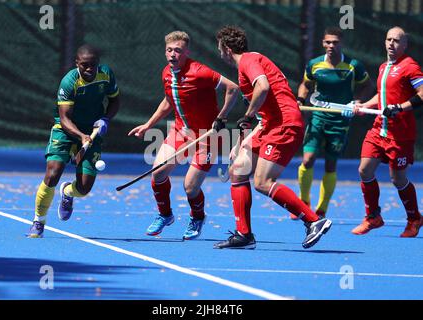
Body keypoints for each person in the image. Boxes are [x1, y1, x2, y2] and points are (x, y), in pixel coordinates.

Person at [214, 25, 332, 249]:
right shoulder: (250, 64)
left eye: (220, 49)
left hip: (284, 125)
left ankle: (314, 221)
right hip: (270, 125)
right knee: (237, 170)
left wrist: (247, 116)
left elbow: (264, 87)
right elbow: (262, 114)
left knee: (262, 182)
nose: (220, 53)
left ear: (227, 49)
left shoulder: (248, 61)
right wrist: (239, 144)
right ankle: (244, 235)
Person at [128, 31, 239, 240]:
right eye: (169, 50)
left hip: (207, 137)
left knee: (190, 186)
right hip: (180, 131)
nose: (173, 54)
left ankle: (197, 217)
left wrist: (222, 117)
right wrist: (148, 124)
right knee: (158, 173)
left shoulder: (200, 71)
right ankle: (165, 215)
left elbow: (233, 88)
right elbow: (169, 101)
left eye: (178, 50)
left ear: (186, 52)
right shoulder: (166, 73)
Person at [27, 44, 120, 238]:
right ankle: (38, 221)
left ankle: (68, 192)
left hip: (92, 131)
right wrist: (81, 136)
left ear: (98, 64)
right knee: (53, 173)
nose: (89, 69)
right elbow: (65, 118)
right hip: (66, 130)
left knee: (84, 187)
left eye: (92, 65)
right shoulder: (69, 82)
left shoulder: (106, 75)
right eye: (84, 65)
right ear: (77, 63)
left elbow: (114, 100)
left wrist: (105, 119)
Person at [295, 27, 374, 219]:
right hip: (318, 117)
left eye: (335, 42)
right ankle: (303, 202)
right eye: (327, 42)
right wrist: (300, 100)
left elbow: (368, 86)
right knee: (308, 159)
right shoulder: (314, 65)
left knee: (330, 165)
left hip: (340, 121)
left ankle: (321, 209)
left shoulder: (354, 66)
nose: (331, 46)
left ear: (342, 43)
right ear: (323, 43)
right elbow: (306, 85)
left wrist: (357, 102)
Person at [351, 26, 423, 237]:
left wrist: (400, 107)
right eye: (389, 40)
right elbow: (381, 97)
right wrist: (364, 106)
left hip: (400, 134)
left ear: (405, 44)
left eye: (397, 41)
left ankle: (414, 218)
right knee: (364, 170)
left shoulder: (410, 66)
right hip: (378, 130)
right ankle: (373, 216)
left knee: (398, 179)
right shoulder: (384, 67)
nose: (392, 44)